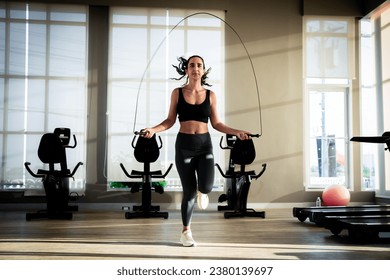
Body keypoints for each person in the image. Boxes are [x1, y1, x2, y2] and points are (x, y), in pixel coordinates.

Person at [142, 55, 251, 247]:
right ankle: (186, 231)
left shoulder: (211, 95)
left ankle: (203, 191)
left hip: (204, 145)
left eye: (199, 65)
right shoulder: (177, 92)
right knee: (189, 192)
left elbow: (217, 123)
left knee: (207, 187)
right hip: (183, 145)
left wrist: (238, 132)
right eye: (192, 65)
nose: (195, 68)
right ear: (186, 70)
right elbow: (169, 121)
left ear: (204, 70)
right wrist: (153, 129)